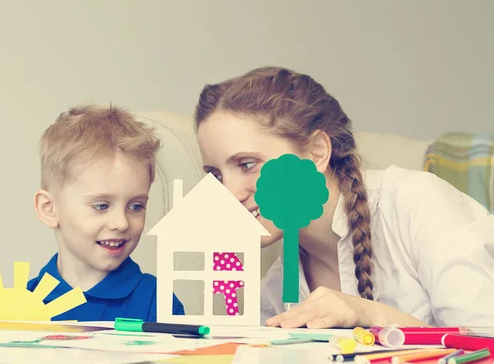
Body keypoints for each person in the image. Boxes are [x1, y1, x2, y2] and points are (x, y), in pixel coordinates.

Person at [194, 67, 494, 328]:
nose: (230, 195)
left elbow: (486, 347)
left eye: (248, 164)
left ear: (316, 153)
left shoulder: (418, 204)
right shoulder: (277, 284)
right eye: (216, 176)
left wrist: (368, 313)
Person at [28, 104, 185, 321]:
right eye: (101, 206)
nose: (121, 223)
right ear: (49, 209)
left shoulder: (158, 304)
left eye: (136, 206)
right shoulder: (25, 304)